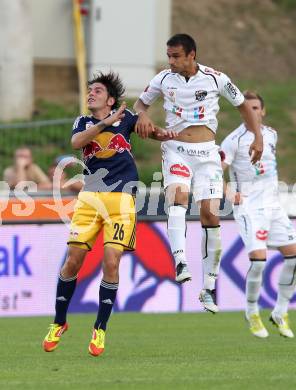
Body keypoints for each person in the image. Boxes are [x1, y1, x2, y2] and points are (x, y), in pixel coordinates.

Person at [42, 71, 174, 356]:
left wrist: (161, 129)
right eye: (90, 90)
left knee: (111, 261)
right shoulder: (84, 122)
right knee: (73, 262)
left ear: (111, 99)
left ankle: (100, 329)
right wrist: (105, 122)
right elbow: (76, 144)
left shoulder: (126, 119)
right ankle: (59, 322)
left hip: (122, 199)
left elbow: (153, 131)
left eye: (98, 91)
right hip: (90, 198)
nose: (91, 94)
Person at [133, 33, 263, 313]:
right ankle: (180, 259)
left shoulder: (216, 79)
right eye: (168, 56)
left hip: (207, 154)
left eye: (176, 56)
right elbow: (141, 104)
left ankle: (209, 287)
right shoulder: (163, 79)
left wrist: (258, 138)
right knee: (177, 197)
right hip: (176, 148)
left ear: (192, 55)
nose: (171, 61)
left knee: (210, 213)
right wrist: (143, 115)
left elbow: (242, 106)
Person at [221, 91, 296, 338]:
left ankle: (280, 311)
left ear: (262, 111)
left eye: (256, 108)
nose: (251, 112)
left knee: (293, 257)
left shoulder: (271, 134)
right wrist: (230, 193)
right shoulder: (233, 141)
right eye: (247, 108)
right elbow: (213, 171)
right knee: (259, 260)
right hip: (249, 207)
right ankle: (251, 310)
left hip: (273, 206)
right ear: (241, 112)